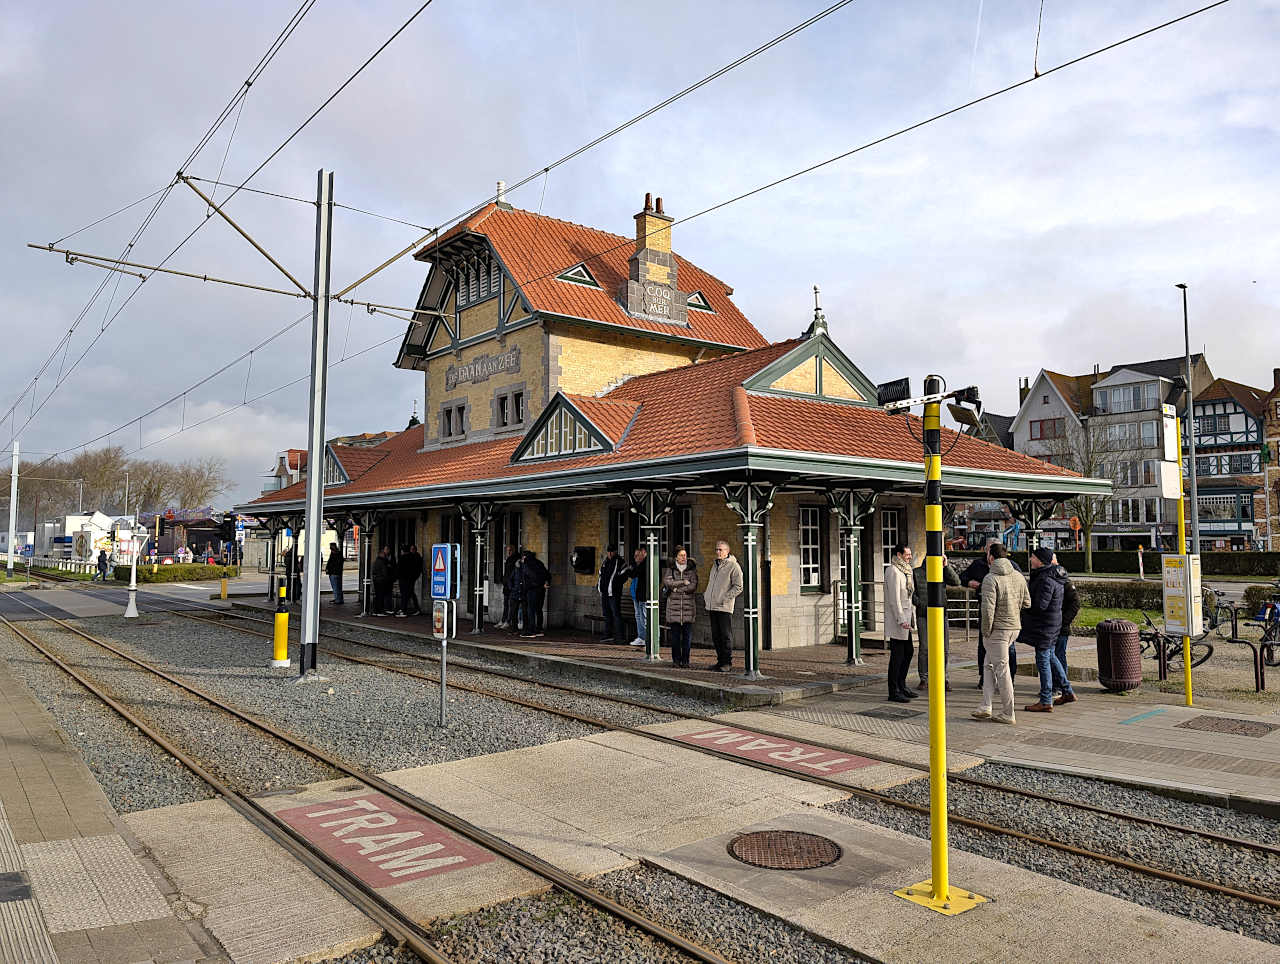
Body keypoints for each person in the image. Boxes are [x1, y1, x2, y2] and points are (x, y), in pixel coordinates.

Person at [973, 543, 1029, 724]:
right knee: (989, 665)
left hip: (997, 631)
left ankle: (1008, 713)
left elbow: (987, 610)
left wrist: (985, 632)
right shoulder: (1018, 576)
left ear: (990, 557)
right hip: (1014, 628)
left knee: (1002, 671)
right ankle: (985, 706)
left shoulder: (990, 578)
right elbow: (1027, 602)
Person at [960, 540, 1020, 688]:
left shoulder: (1012, 568)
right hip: (989, 611)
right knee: (985, 647)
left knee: (1007, 648)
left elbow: (1023, 593)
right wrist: (969, 583)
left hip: (1005, 614)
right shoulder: (978, 565)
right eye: (988, 550)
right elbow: (962, 577)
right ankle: (986, 679)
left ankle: (1008, 679)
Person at [1022, 546, 1075, 712]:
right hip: (1051, 624)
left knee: (1043, 660)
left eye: (1033, 557)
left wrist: (1024, 605)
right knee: (1051, 656)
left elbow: (1040, 606)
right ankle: (1067, 691)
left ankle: (1046, 700)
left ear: (1040, 560)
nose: (1030, 559)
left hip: (1044, 626)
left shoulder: (1045, 579)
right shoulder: (1052, 576)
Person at [912, 552, 959, 692]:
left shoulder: (942, 570)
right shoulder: (917, 572)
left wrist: (946, 566)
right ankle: (924, 678)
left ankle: (943, 677)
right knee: (924, 648)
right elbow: (911, 592)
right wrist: (919, 603)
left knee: (944, 649)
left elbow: (956, 582)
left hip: (941, 613)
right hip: (923, 614)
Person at [884, 543, 917, 703]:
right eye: (907, 554)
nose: (910, 557)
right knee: (897, 656)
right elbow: (894, 598)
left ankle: (902, 685)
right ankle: (894, 690)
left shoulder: (906, 571)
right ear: (899, 555)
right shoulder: (893, 571)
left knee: (908, 652)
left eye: (910, 554)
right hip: (898, 620)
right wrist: (901, 619)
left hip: (907, 618)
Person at [704, 540, 742, 671]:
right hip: (712, 605)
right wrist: (706, 596)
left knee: (725, 636)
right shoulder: (714, 565)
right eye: (716, 549)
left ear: (727, 551)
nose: (718, 552)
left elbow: (739, 586)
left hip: (724, 607)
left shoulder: (733, 566)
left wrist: (725, 598)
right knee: (716, 636)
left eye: (720, 549)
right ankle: (720, 661)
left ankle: (727, 663)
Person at [662, 547, 698, 667]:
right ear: (676, 557)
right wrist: (683, 582)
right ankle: (676, 660)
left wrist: (677, 589)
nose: (684, 557)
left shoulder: (692, 570)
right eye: (681, 555)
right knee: (675, 637)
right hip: (674, 608)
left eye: (685, 555)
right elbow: (668, 583)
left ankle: (686, 660)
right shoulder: (670, 570)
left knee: (687, 638)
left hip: (688, 608)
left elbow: (693, 586)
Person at [1054, 552, 1079, 685]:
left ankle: (1061, 685)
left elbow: (1075, 604)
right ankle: (1056, 684)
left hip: (1060, 627)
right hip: (1053, 625)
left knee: (1059, 655)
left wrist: (1063, 622)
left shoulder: (1064, 581)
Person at [597, 544, 627, 643]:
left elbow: (624, 575)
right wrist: (599, 587)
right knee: (606, 614)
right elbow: (600, 574)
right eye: (608, 552)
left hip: (614, 593)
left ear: (615, 552)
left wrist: (615, 585)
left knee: (616, 614)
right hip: (605, 592)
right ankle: (607, 634)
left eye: (611, 552)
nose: (609, 554)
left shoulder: (620, 562)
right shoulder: (605, 561)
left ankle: (620, 636)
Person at [519, 550, 550, 638]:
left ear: (524, 557)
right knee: (538, 609)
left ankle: (531, 630)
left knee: (530, 610)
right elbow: (547, 575)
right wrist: (545, 583)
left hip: (532, 589)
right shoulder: (539, 563)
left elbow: (532, 576)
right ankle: (539, 629)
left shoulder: (527, 564)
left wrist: (531, 585)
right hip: (541, 590)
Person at [628, 547, 649, 647]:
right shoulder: (639, 565)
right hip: (637, 595)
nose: (635, 558)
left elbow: (633, 574)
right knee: (638, 616)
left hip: (643, 596)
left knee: (643, 617)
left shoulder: (646, 564)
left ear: (643, 554)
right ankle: (641, 637)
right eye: (635, 555)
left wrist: (631, 569)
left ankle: (646, 638)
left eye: (637, 555)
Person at [496, 545, 520, 629]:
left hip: (512, 586)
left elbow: (513, 574)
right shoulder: (509, 559)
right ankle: (503, 620)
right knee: (506, 604)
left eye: (510, 550)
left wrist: (511, 584)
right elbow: (507, 573)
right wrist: (504, 580)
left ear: (514, 550)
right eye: (508, 550)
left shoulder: (516, 559)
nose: (508, 552)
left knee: (511, 605)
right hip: (507, 585)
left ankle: (508, 621)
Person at [396, 544, 423, 617]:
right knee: (410, 593)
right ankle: (409, 609)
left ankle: (403, 610)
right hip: (410, 579)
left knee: (404, 594)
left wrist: (397, 577)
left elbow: (398, 569)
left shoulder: (404, 558)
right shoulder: (413, 557)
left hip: (404, 579)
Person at [504, 548, 524, 632]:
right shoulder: (515, 570)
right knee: (513, 610)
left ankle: (521, 623)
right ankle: (514, 627)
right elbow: (510, 579)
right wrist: (511, 588)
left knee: (521, 609)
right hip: (515, 592)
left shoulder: (525, 569)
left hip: (522, 592)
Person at [371, 546, 394, 616]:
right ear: (381, 554)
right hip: (381, 581)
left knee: (378, 596)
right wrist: (386, 578)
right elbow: (385, 572)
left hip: (377, 580)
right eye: (384, 554)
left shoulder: (376, 561)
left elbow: (374, 571)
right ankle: (379, 611)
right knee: (380, 596)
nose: (385, 555)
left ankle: (376, 611)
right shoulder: (382, 562)